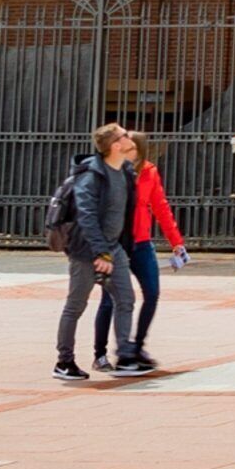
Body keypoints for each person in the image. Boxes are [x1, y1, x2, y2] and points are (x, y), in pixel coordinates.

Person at [52, 123, 139, 383]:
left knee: (126, 299)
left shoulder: (124, 171)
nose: (129, 137)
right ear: (115, 145)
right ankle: (64, 361)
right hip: (86, 251)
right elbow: (86, 217)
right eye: (124, 135)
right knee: (76, 305)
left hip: (113, 249)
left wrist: (118, 248)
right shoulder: (91, 176)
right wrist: (100, 254)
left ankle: (125, 356)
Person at [99, 134, 188, 375]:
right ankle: (102, 352)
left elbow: (161, 207)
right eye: (124, 147)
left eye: (131, 148)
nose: (127, 151)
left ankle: (135, 347)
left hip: (141, 243)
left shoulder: (149, 172)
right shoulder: (113, 172)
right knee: (111, 299)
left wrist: (176, 242)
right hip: (117, 244)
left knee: (152, 293)